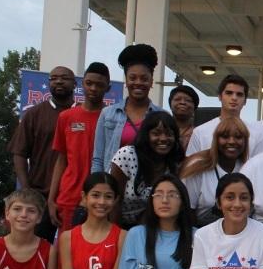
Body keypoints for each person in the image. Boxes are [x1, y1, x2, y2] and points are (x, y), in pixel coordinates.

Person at [10, 65, 76, 240]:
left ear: (75, 84)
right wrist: (27, 190)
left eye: (64, 78)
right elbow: (19, 153)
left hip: (73, 195)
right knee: (37, 247)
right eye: (53, 78)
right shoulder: (34, 114)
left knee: (71, 250)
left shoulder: (82, 114)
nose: (59, 81)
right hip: (40, 195)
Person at [48, 62, 111, 233]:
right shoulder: (66, 117)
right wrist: (52, 199)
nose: (93, 88)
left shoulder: (113, 118)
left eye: (99, 85)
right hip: (70, 197)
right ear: (82, 84)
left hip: (102, 199)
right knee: (67, 251)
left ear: (108, 87)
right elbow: (61, 160)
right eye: (89, 83)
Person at [92, 44, 165, 173]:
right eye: (132, 78)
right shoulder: (108, 114)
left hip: (150, 187)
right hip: (113, 187)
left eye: (144, 79)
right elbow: (98, 159)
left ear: (152, 81)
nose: (138, 82)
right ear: (126, 81)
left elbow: (166, 159)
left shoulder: (162, 115)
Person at [110, 112, 184, 229]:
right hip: (117, 222)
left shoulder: (174, 163)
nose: (163, 139)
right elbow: (114, 200)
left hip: (149, 226)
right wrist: (118, 237)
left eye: (169, 134)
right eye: (156, 134)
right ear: (146, 135)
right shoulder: (127, 155)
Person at [180, 116, 250, 226]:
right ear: (216, 140)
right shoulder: (197, 166)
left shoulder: (249, 168)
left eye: (238, 137)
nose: (231, 141)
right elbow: (187, 212)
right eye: (225, 137)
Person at [185, 74, 248, 155]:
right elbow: (191, 165)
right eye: (229, 93)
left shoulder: (254, 133)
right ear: (220, 96)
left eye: (239, 94)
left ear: (245, 100)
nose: (234, 98)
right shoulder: (200, 132)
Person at [168, 85, 199, 152]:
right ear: (170, 104)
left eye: (188, 100)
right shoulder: (162, 130)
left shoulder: (199, 134)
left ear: (194, 107)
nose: (182, 102)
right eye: (177, 99)